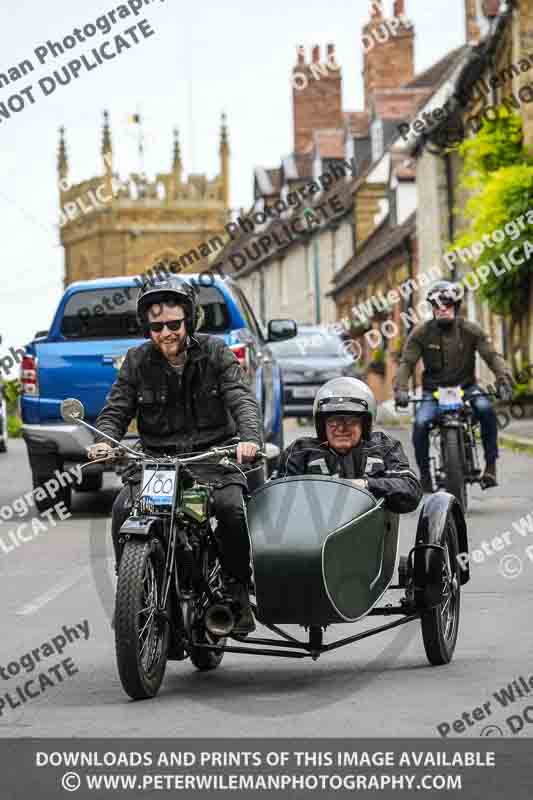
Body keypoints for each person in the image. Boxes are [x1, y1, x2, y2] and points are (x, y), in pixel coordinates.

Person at [87, 275, 262, 635]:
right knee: (123, 508)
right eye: (156, 326)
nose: (165, 333)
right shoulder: (137, 361)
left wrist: (250, 439)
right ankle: (136, 589)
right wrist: (105, 439)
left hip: (212, 458)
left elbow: (241, 397)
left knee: (230, 508)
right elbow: (117, 408)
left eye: (173, 324)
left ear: (188, 319)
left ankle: (237, 590)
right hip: (158, 462)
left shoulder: (215, 352)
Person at [393, 280, 514, 492]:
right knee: (420, 423)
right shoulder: (421, 333)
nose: (442, 309)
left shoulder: (471, 330)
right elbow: (407, 363)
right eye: (437, 305)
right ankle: (424, 475)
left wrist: (503, 379)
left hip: (467, 388)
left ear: (455, 307)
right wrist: (401, 389)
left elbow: (492, 356)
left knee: (486, 410)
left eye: (447, 305)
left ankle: (491, 466)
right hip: (434, 392)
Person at [277, 377, 422, 514]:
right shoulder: (300, 451)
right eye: (333, 421)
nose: (341, 428)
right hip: (312, 535)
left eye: (351, 421)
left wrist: (365, 484)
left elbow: (411, 488)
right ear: (322, 425)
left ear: (364, 425)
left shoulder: (384, 446)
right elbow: (278, 498)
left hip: (369, 535)